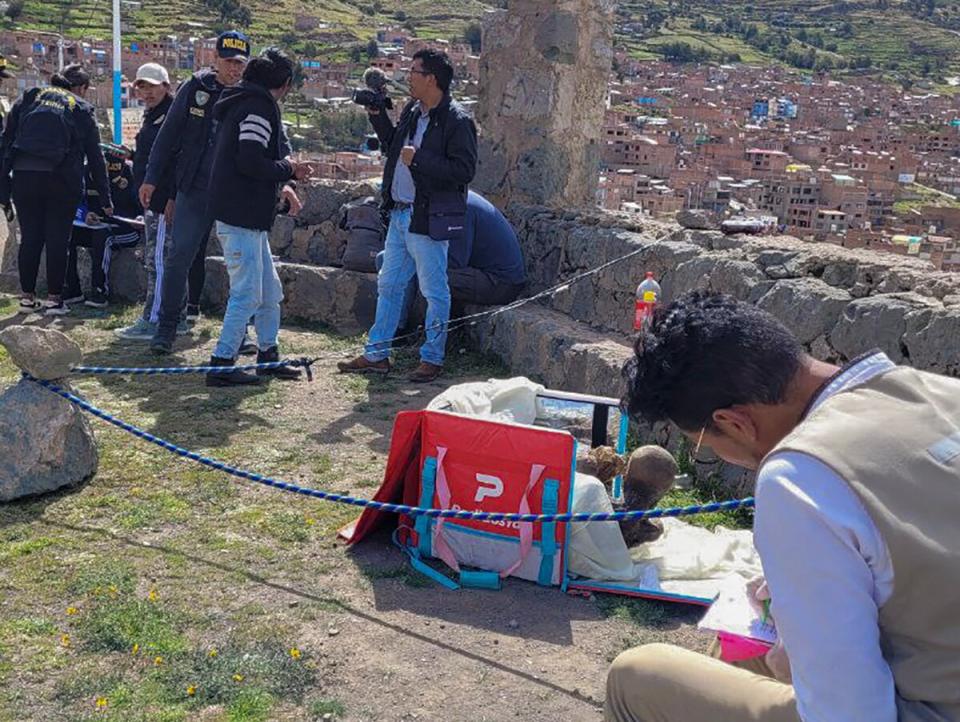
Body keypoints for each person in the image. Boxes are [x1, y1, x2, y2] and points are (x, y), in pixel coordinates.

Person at [607, 290, 960, 722]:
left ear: (734, 423)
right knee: (737, 654)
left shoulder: (801, 474)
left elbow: (849, 714)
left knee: (637, 675)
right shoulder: (938, 393)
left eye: (701, 444)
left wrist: (795, 665)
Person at [338, 49, 478, 383]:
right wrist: (377, 115)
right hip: (401, 215)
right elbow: (393, 147)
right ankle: (377, 354)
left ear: (432, 78)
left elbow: (464, 170)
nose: (408, 76)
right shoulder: (415, 112)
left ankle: (432, 357)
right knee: (389, 285)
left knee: (434, 289)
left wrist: (419, 160)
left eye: (414, 71)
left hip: (428, 217)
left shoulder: (457, 121)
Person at [204, 47, 311, 387]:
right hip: (242, 214)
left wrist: (283, 176)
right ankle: (221, 362)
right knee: (247, 292)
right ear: (286, 84)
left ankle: (268, 356)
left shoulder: (241, 102)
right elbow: (250, 161)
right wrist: (289, 169)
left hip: (243, 214)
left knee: (269, 290)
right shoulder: (259, 108)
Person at [140, 31, 250, 354]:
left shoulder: (249, 94)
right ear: (215, 59)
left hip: (233, 192)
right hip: (195, 188)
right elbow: (168, 135)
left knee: (242, 264)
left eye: (240, 63)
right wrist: (151, 178)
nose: (234, 68)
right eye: (229, 61)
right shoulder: (196, 88)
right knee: (178, 259)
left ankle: (240, 332)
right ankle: (167, 328)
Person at [0, 64, 111, 315]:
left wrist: (3, 188)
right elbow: (95, 157)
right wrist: (105, 197)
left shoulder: (29, 97)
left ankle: (27, 299)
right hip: (61, 178)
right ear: (81, 88)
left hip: (25, 176)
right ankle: (54, 300)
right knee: (58, 238)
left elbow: (6, 142)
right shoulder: (80, 107)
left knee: (30, 238)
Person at [374, 189, 526, 331]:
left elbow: (455, 261)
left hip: (500, 283)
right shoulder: (442, 201)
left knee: (422, 274)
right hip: (475, 273)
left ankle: (398, 332)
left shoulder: (458, 207)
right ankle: (393, 327)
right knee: (385, 259)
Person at [115, 62, 177, 340]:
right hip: (153, 200)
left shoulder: (171, 116)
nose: (147, 92)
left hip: (163, 201)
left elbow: (177, 160)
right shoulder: (153, 115)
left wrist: (172, 197)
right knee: (160, 259)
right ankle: (169, 315)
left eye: (153, 86)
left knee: (158, 261)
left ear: (166, 86)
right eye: (142, 86)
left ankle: (155, 319)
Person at [64, 144, 141, 307]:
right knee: (66, 234)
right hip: (94, 225)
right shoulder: (84, 172)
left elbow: (142, 208)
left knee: (103, 237)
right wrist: (85, 215)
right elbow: (75, 203)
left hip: (126, 230)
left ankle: (99, 291)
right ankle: (72, 289)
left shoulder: (131, 173)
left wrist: (140, 218)